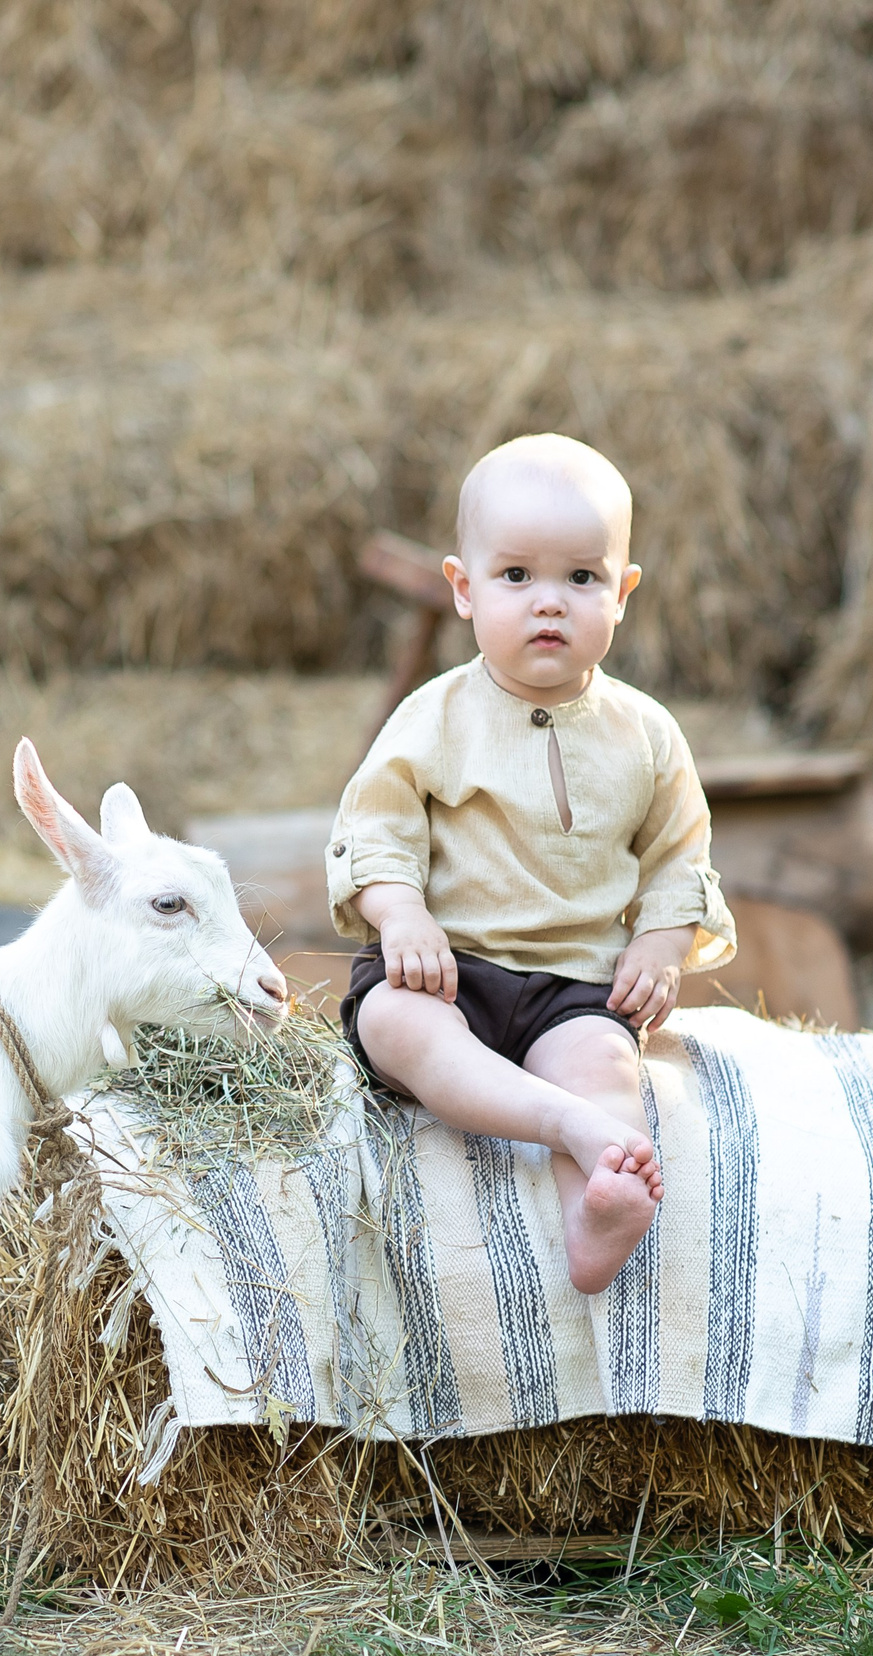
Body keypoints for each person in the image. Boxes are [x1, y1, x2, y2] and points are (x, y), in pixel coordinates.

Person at [327, 433, 735, 1294]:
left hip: (574, 989)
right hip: (447, 972)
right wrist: (402, 917)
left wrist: (660, 948)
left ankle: (600, 1204)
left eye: (581, 578)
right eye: (516, 576)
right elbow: (379, 826)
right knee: (397, 1024)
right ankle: (561, 1122)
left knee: (607, 1064)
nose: (549, 603)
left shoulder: (647, 734)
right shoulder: (435, 716)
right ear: (464, 589)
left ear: (622, 593)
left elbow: (678, 855)